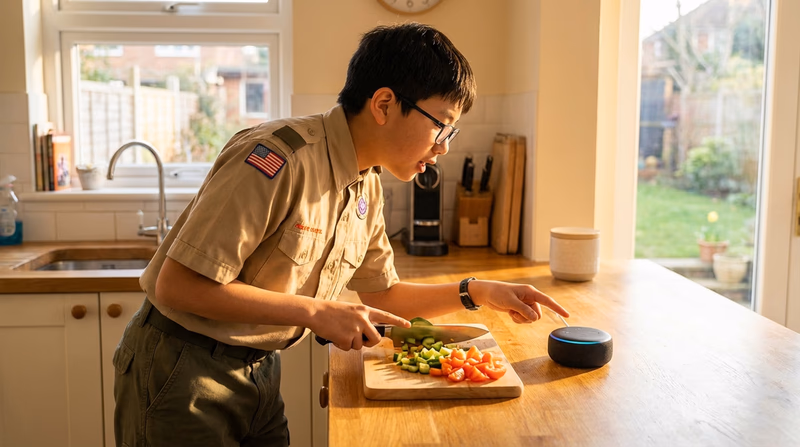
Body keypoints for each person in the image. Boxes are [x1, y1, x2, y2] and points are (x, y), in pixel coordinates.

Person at [113, 22, 569, 447]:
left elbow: (384, 292)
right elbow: (179, 284)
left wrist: (479, 291)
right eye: (441, 125)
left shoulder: (366, 182)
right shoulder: (278, 158)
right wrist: (315, 311)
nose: (444, 146)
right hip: (180, 370)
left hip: (259, 371)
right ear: (385, 104)